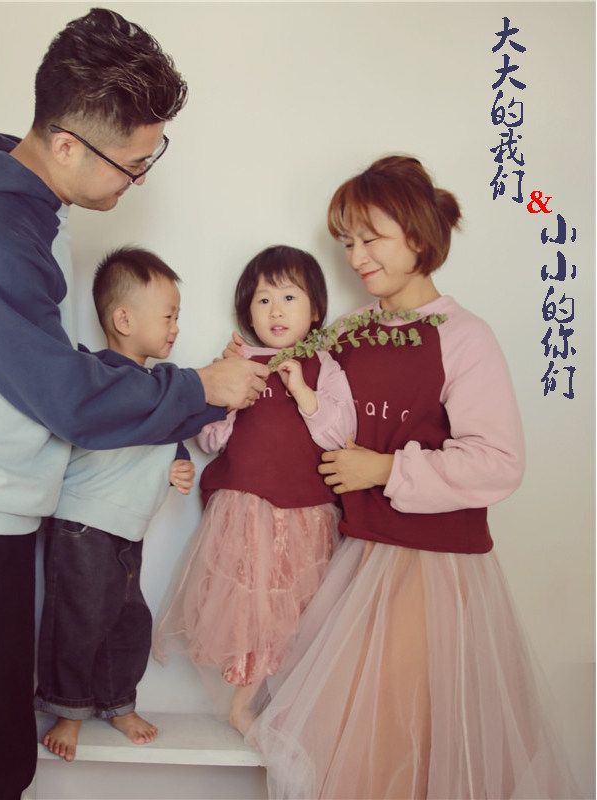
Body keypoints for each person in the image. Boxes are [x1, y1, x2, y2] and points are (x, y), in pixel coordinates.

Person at [0, 9, 268, 800]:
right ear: (66, 145)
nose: (139, 180)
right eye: (133, 163)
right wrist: (196, 388)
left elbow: (43, 367)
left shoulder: (25, 207)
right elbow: (66, 397)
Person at [244, 156, 581, 799]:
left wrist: (384, 469)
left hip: (430, 567)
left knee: (400, 751)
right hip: (356, 554)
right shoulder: (349, 334)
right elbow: (305, 415)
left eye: (371, 238)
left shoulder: (464, 336)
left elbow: (499, 461)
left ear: (419, 237)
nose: (355, 256)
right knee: (353, 750)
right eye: (348, 241)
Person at [154, 245, 356, 734]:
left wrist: (303, 391)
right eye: (263, 300)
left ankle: (282, 707)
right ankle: (242, 705)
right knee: (251, 607)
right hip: (246, 509)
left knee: (296, 610)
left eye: (289, 297)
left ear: (315, 310)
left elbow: (340, 434)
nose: (276, 310)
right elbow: (210, 440)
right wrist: (228, 401)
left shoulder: (325, 366)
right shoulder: (239, 362)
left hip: (305, 511)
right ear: (247, 311)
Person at [35, 246, 207, 761]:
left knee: (127, 621)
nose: (176, 326)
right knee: (77, 619)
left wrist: (178, 463)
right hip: (83, 524)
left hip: (126, 530)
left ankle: (117, 702)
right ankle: (68, 709)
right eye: (168, 315)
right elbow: (116, 425)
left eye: (178, 316)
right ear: (124, 319)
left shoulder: (155, 389)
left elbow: (163, 433)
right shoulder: (100, 377)